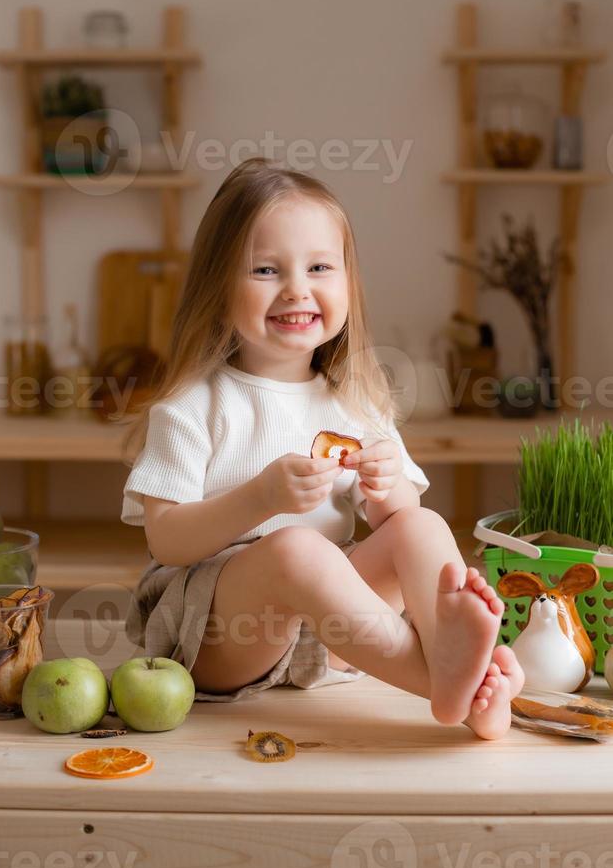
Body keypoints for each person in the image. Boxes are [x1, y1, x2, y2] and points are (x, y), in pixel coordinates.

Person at [121, 157, 524, 740]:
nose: (296, 289)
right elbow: (167, 539)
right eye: (265, 269)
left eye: (319, 267)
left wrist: (389, 493)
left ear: (347, 283)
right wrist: (259, 496)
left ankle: (459, 667)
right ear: (217, 286)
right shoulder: (192, 405)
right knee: (297, 550)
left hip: (332, 636)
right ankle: (449, 682)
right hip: (220, 635)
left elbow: (396, 525)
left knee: (421, 525)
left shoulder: (355, 403)